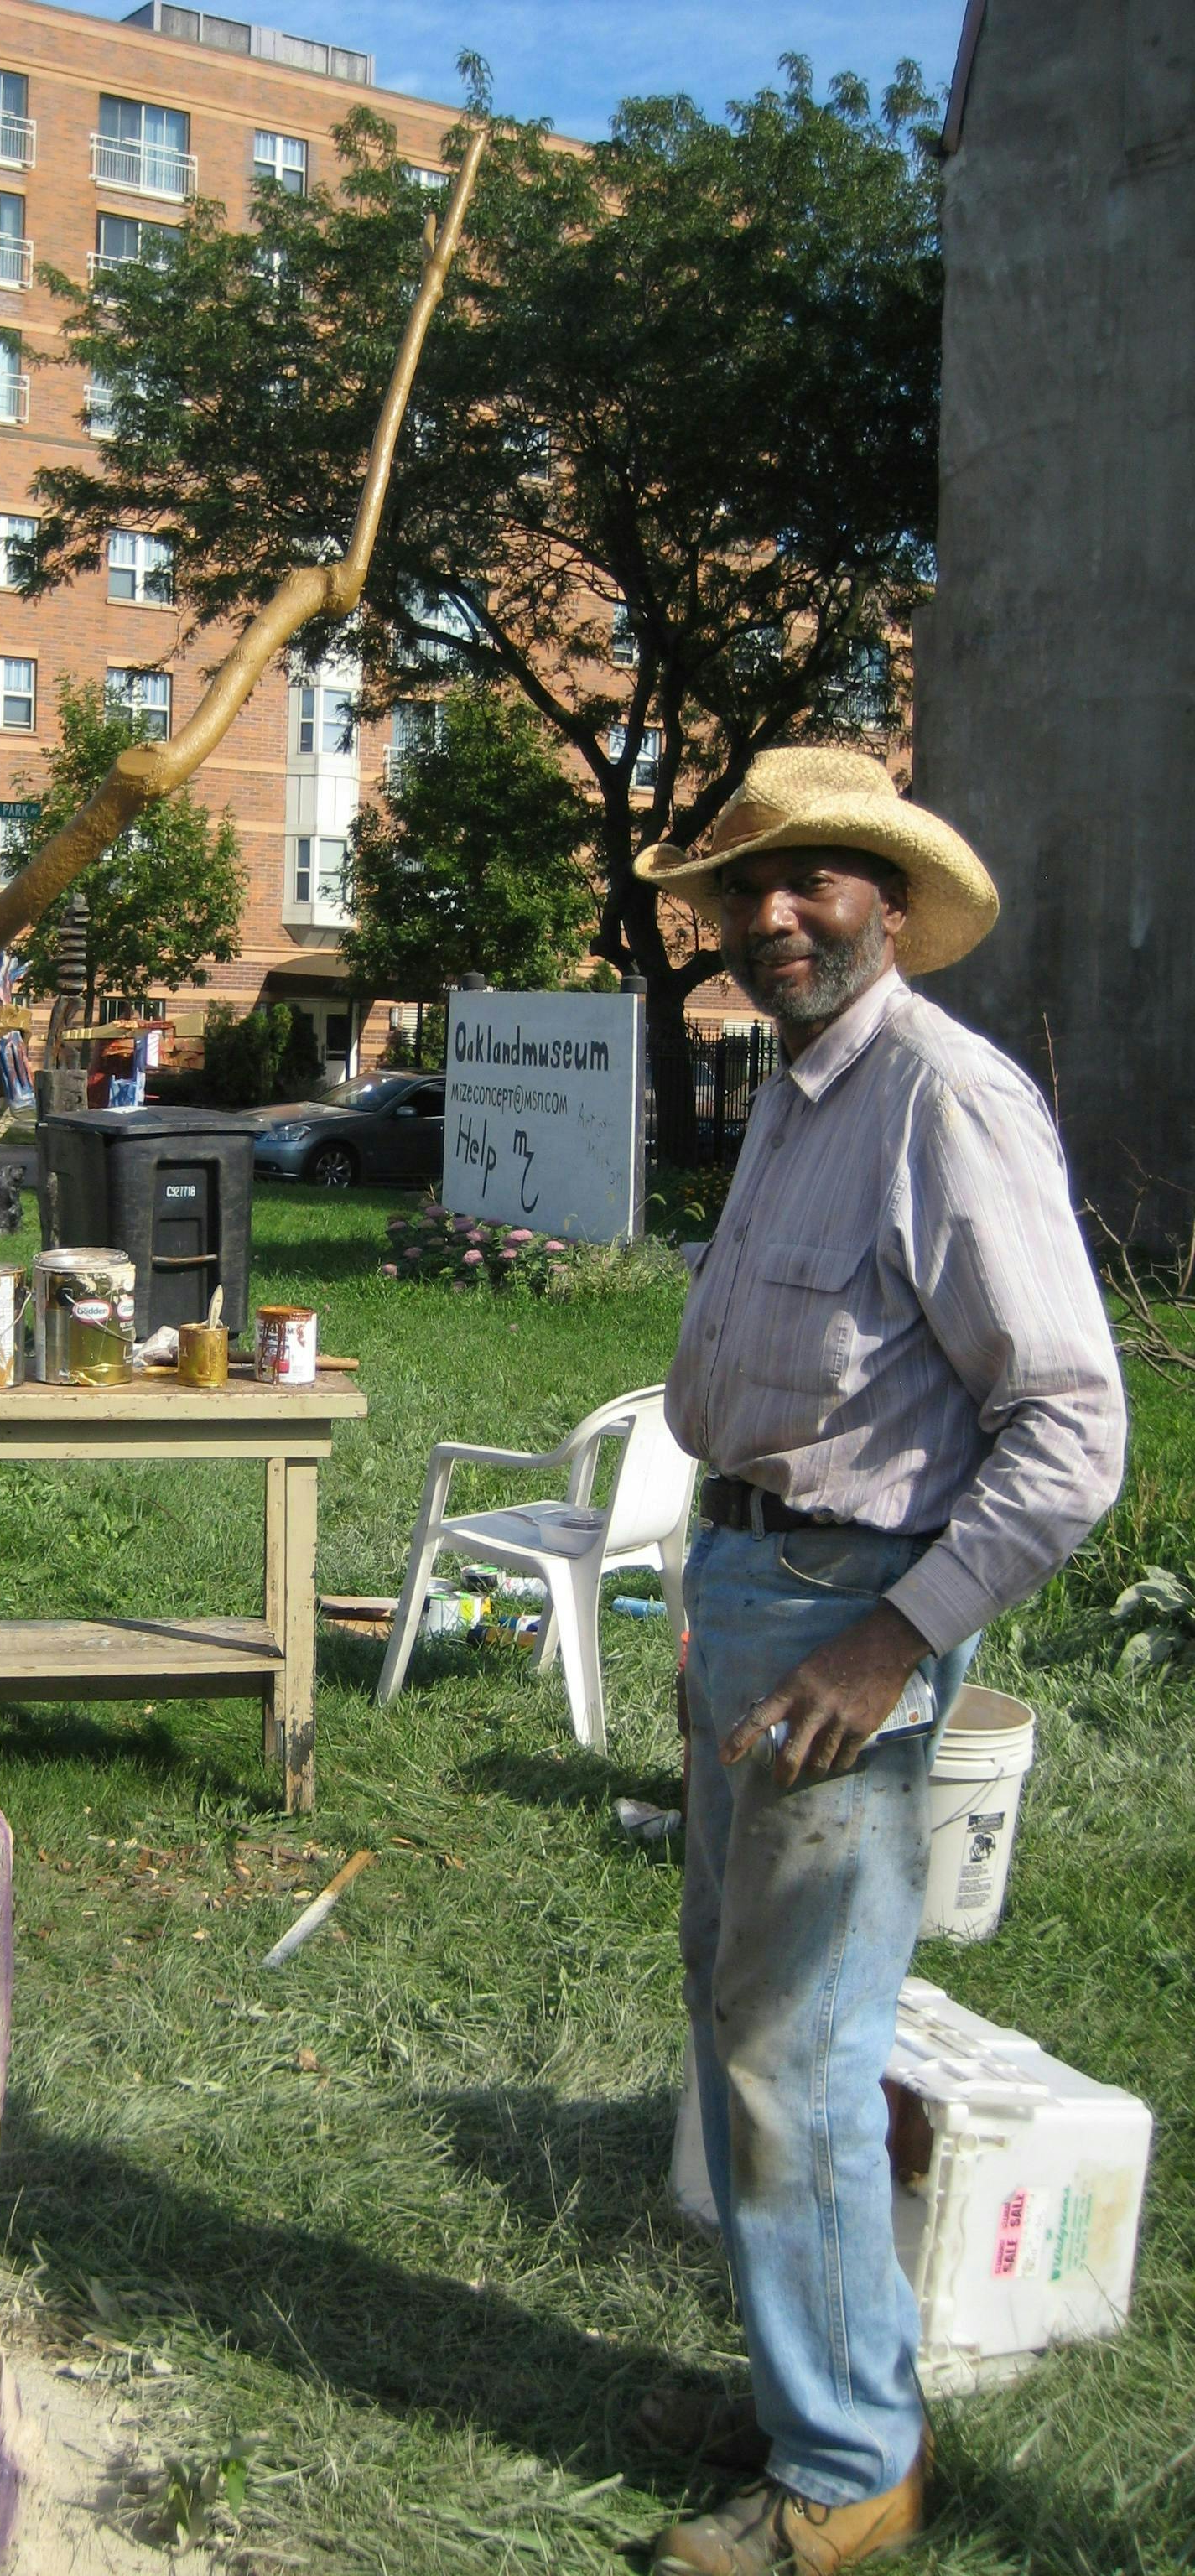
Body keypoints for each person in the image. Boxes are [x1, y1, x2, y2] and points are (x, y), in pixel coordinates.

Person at [628, 749, 1126, 2575]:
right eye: (747, 884)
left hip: (848, 1622)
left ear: (889, 909)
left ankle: (846, 2471)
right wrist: (723, 1577)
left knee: (798, 2059)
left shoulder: (939, 1095)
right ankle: (804, 2384)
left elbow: (1072, 1431)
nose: (773, 914)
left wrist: (888, 1638)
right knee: (736, 2015)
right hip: (751, 1585)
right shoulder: (794, 1093)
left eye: (817, 881)